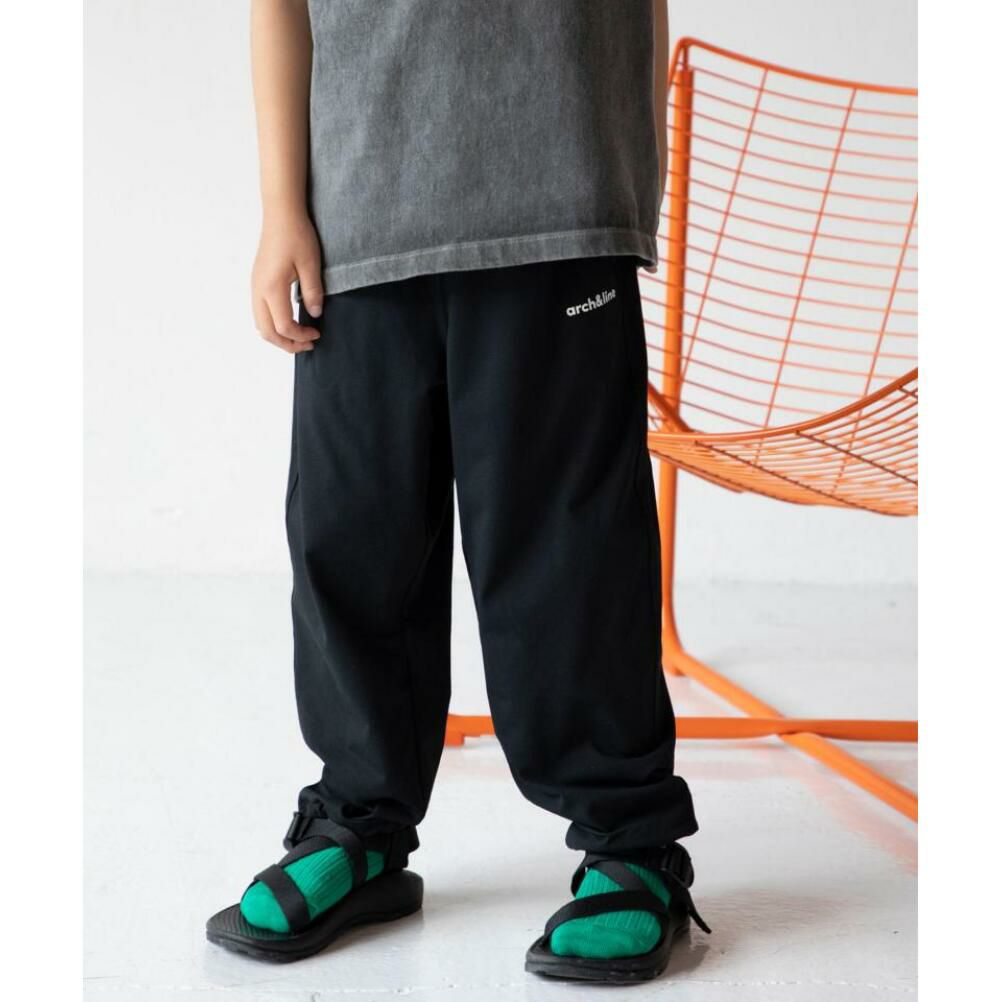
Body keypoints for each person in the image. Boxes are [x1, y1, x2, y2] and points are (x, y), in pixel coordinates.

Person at [206, 0, 708, 983]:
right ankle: (360, 824)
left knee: (567, 547)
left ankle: (632, 840)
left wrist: (621, 191)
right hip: (358, 213)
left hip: (559, 206)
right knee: (351, 532)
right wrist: (280, 208)